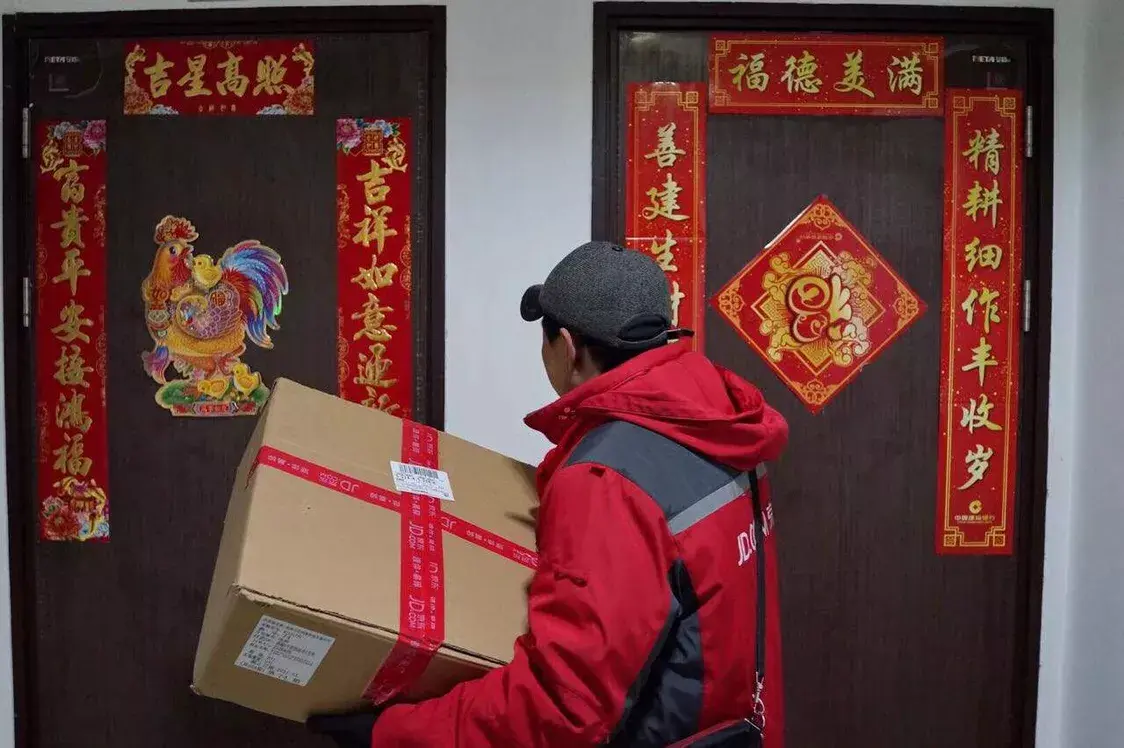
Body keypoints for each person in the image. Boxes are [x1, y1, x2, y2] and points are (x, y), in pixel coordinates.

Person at [309, 241, 789, 747]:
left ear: (567, 345)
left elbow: (564, 707)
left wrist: (394, 733)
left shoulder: (606, 479)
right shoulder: (714, 416)